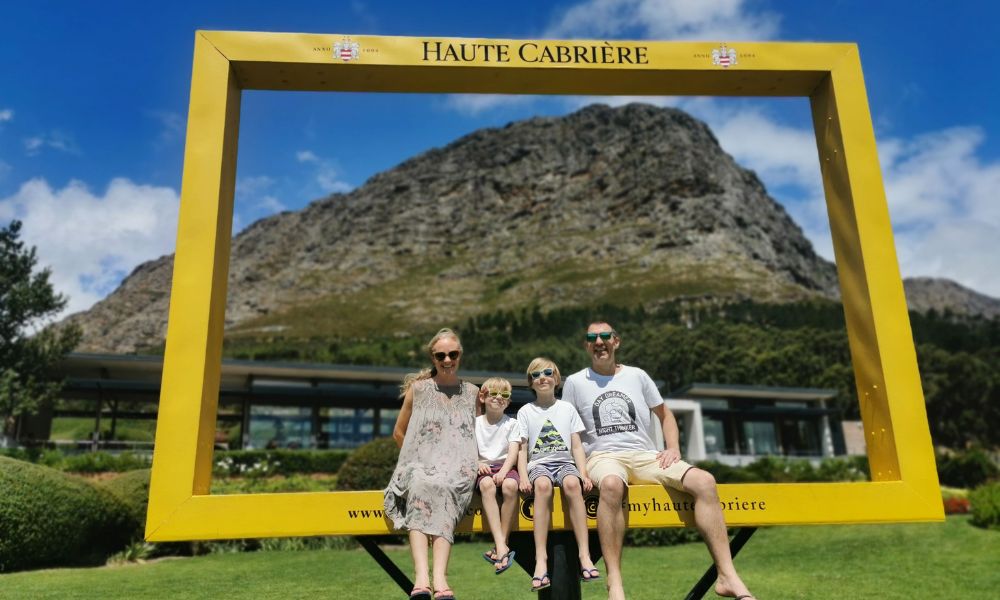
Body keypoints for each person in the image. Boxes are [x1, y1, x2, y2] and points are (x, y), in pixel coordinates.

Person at [561, 322, 755, 600]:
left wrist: (673, 448)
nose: (599, 341)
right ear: (586, 345)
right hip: (603, 457)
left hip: (645, 456)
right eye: (592, 337)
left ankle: (727, 576)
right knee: (613, 485)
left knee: (705, 481)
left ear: (616, 341)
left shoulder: (638, 376)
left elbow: (666, 416)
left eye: (605, 336)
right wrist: (577, 469)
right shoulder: (576, 382)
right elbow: (568, 429)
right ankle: (614, 584)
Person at [384, 328, 478, 600]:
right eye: (441, 355)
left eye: (453, 354)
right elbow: (399, 432)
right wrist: (419, 460)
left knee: (445, 485)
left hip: (458, 472)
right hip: (421, 469)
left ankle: (438, 577)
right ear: (433, 357)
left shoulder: (473, 393)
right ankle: (423, 578)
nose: (447, 360)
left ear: (460, 355)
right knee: (422, 482)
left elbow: (478, 434)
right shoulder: (419, 390)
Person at [516, 357, 600, 592]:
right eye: (535, 375)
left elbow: (576, 446)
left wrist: (583, 473)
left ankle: (585, 555)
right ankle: (540, 560)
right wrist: (523, 476)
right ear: (530, 383)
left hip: (565, 464)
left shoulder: (567, 409)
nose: (542, 377)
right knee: (542, 487)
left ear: (556, 378)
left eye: (547, 372)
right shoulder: (525, 411)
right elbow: (522, 449)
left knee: (573, 485)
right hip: (539, 465)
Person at [473, 376, 521, 575]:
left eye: (504, 395)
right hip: (483, 469)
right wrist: (476, 463)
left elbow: (513, 452)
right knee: (487, 486)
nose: (498, 397)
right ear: (483, 398)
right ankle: (502, 546)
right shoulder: (474, 423)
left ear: (509, 401)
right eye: (493, 393)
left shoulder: (512, 424)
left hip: (505, 467)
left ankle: (501, 545)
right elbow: (467, 449)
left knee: (510, 486)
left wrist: (503, 472)